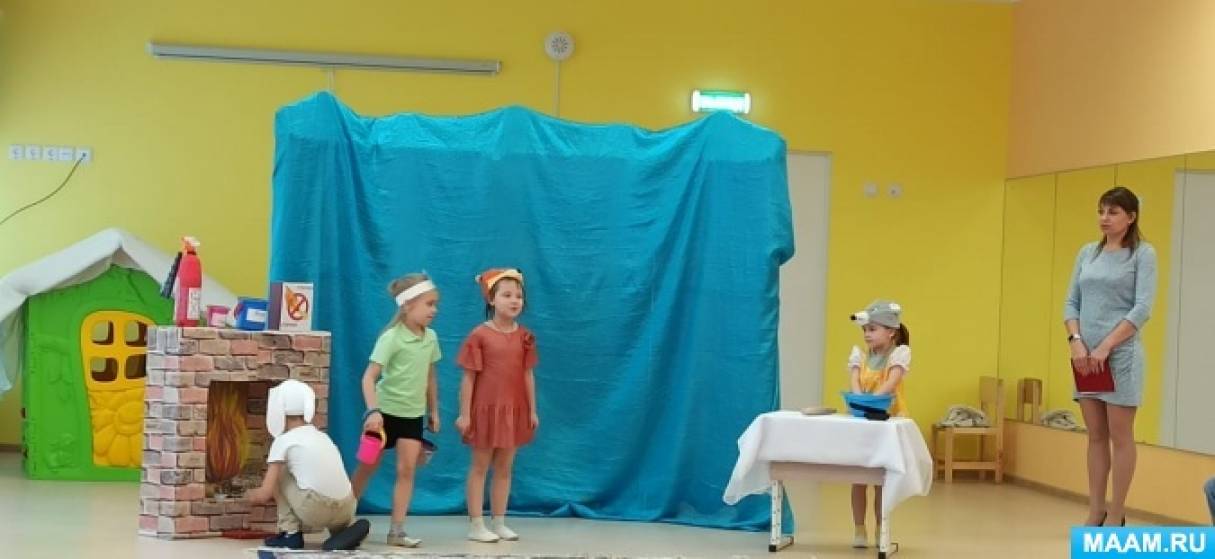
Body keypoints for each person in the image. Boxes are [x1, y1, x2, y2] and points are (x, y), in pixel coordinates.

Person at [1063, 186, 1157, 527]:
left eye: (1113, 212)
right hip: (1085, 358)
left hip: (1121, 356)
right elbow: (1071, 302)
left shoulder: (1143, 254)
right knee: (1095, 435)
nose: (1105, 218)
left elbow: (1142, 308)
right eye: (1101, 211)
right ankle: (1096, 510)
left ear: (1130, 217)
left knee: (1120, 436)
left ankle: (1117, 512)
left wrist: (1106, 346)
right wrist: (1076, 341)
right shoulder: (1087, 253)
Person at [350, 273, 442, 547]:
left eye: (435, 304)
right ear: (407, 305)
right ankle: (341, 519)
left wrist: (433, 411)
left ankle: (397, 531)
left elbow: (430, 376)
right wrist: (373, 412)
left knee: (407, 470)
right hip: (382, 418)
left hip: (412, 418)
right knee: (366, 467)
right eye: (429, 304)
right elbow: (368, 378)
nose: (434, 310)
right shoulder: (391, 338)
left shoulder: (431, 338)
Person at [456, 268, 540, 542]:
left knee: (505, 467)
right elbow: (469, 378)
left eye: (518, 296)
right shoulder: (479, 335)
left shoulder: (525, 336)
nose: (514, 300)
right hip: (485, 411)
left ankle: (499, 521)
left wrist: (531, 410)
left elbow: (527, 375)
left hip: (513, 411)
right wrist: (465, 414)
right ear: (491, 300)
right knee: (480, 466)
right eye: (507, 295)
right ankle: (476, 524)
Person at [846, 300, 911, 548]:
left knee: (881, 480)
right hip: (864, 423)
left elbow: (891, 383)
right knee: (859, 478)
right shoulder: (860, 357)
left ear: (891, 331)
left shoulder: (899, 355)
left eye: (872, 329)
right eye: (865, 330)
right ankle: (859, 529)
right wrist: (859, 401)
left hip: (887, 425)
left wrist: (870, 402)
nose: (867, 334)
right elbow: (855, 383)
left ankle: (881, 530)